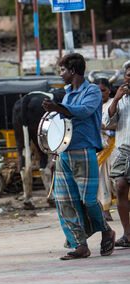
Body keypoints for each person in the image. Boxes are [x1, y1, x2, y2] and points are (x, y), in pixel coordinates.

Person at [42, 53, 115, 260]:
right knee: (65, 200)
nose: (61, 74)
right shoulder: (66, 94)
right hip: (65, 152)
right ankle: (80, 245)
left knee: (88, 199)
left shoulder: (91, 91)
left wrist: (59, 108)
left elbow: (84, 111)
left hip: (84, 150)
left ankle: (106, 230)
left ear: (73, 70)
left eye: (63, 70)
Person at [103, 60, 130, 248]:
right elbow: (108, 120)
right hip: (123, 149)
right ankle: (127, 234)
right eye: (129, 75)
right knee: (120, 187)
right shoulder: (120, 99)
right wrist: (116, 99)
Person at [95, 78, 118, 221]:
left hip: (115, 147)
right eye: (97, 91)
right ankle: (105, 210)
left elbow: (121, 123)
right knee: (101, 180)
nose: (100, 93)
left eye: (103, 90)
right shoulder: (92, 106)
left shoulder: (115, 103)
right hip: (99, 148)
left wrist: (105, 127)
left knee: (117, 178)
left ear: (109, 90)